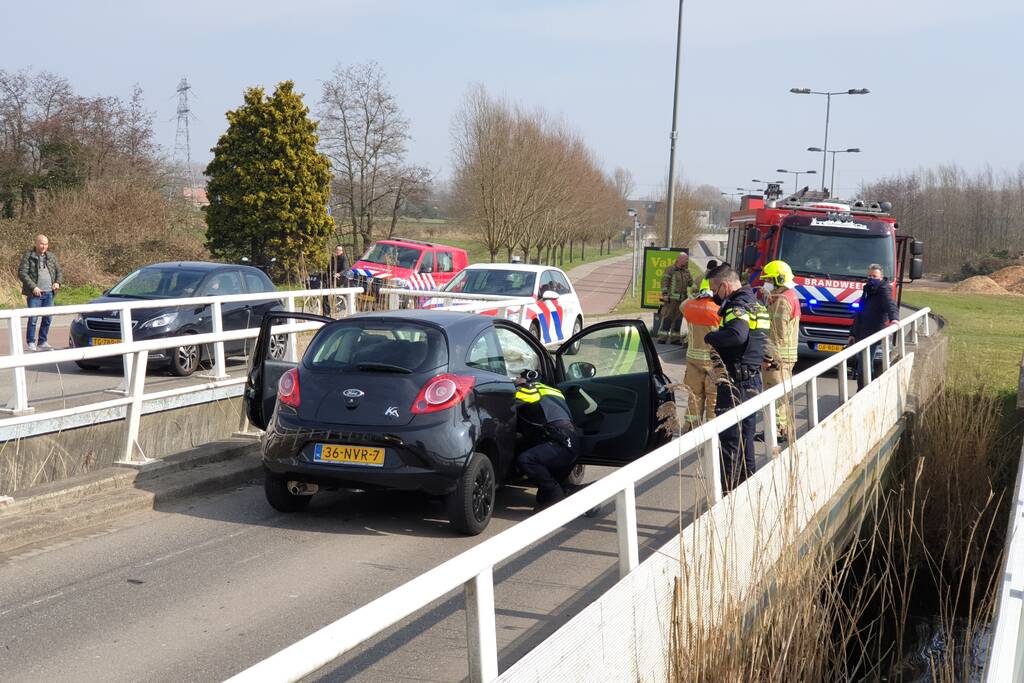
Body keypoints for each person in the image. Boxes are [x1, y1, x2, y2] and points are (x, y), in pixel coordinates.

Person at [704, 266, 770, 492]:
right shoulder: (757, 304)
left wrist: (711, 336)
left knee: (730, 441)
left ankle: (729, 494)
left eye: (715, 289)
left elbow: (737, 335)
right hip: (752, 380)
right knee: (746, 439)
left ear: (724, 286)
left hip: (735, 384)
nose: (714, 294)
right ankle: (748, 490)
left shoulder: (737, 306)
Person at [514, 376, 582, 511]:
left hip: (561, 443)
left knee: (526, 459)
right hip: (571, 442)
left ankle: (556, 499)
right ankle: (584, 492)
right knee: (542, 498)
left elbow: (505, 404)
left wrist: (515, 386)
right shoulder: (554, 391)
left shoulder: (530, 390)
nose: (516, 379)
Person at [760, 260, 800, 443]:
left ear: (779, 280)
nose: (765, 283)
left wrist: (769, 357)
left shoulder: (782, 301)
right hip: (786, 355)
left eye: (768, 280)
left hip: (778, 356)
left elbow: (778, 333)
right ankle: (782, 428)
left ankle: (775, 432)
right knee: (781, 395)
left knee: (774, 393)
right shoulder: (788, 296)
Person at [849, 263, 899, 390]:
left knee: (864, 364)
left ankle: (864, 390)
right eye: (870, 276)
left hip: (873, 332)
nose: (871, 278)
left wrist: (894, 318)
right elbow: (859, 313)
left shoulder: (883, 289)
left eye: (874, 276)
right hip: (862, 333)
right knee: (863, 363)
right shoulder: (867, 290)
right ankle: (866, 390)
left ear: (881, 277)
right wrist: (852, 333)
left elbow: (890, 304)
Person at [681, 287, 721, 430]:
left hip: (693, 360)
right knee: (713, 397)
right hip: (713, 362)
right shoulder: (719, 309)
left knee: (694, 395)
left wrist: (693, 296)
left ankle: (691, 427)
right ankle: (712, 429)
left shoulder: (690, 306)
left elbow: (681, 306)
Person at [18, 234, 62, 351]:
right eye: (42, 244)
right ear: (36, 243)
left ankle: (42, 341)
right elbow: (22, 273)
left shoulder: (51, 257)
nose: (44, 246)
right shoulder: (28, 256)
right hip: (35, 294)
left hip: (49, 293)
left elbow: (59, 272)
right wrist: (33, 287)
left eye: (46, 244)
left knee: (48, 319)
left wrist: (57, 282)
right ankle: (31, 342)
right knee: (33, 319)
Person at [658, 252, 694, 345]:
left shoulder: (686, 272)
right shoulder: (670, 269)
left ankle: (675, 339)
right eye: (685, 259)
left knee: (678, 320)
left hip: (682, 300)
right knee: (667, 318)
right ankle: (662, 338)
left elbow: (691, 284)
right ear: (679, 259)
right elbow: (664, 282)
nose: (687, 261)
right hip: (671, 300)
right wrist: (665, 294)